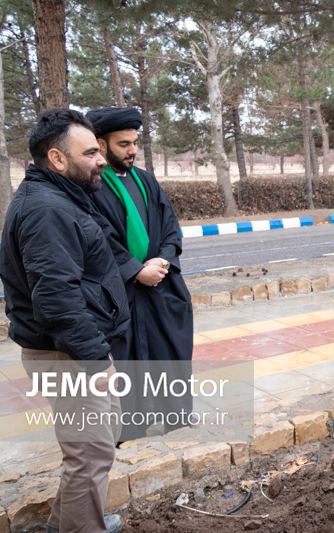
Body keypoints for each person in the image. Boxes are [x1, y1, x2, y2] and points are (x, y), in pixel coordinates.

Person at [0, 109, 129, 533]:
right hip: (68, 356)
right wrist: (96, 360)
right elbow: (56, 298)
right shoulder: (47, 210)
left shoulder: (60, 198)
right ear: (57, 158)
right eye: (91, 151)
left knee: (96, 449)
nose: (101, 160)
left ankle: (68, 523)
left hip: (71, 352)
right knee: (90, 455)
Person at [86, 107, 193, 441]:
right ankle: (131, 432)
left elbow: (170, 224)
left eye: (134, 142)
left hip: (162, 288)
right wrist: (135, 271)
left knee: (169, 355)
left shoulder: (145, 178)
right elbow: (97, 236)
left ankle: (177, 422)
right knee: (126, 364)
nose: (133, 150)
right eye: (123, 144)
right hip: (123, 295)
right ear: (101, 145)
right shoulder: (90, 186)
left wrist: (162, 261)